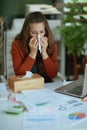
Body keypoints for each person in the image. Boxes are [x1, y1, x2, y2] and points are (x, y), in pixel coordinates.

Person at [11, 11, 58, 83]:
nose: (38, 36)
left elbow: (53, 75)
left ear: (46, 30)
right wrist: (32, 53)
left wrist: (44, 53)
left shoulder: (51, 43)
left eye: (42, 32)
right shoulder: (17, 44)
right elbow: (20, 75)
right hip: (26, 85)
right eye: (34, 33)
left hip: (46, 86)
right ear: (27, 32)